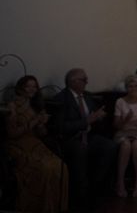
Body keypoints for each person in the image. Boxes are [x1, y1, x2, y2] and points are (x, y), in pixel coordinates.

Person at [54, 68, 117, 209]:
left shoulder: (87, 96)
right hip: (71, 139)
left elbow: (95, 118)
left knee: (110, 146)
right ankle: (80, 199)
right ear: (73, 82)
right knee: (80, 150)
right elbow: (61, 127)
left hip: (89, 136)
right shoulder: (61, 99)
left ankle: (94, 187)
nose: (87, 82)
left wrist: (100, 117)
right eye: (84, 79)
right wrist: (88, 120)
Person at [6, 75, 68, 213]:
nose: (31, 89)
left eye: (34, 86)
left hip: (35, 143)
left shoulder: (37, 105)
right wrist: (34, 121)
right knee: (43, 168)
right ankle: (37, 207)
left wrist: (41, 124)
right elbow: (12, 133)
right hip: (18, 144)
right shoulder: (12, 106)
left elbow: (43, 134)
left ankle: (53, 206)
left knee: (59, 165)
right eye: (28, 86)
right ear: (21, 87)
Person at [113, 74, 137, 198]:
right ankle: (120, 183)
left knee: (136, 144)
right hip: (123, 133)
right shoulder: (120, 101)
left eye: (136, 86)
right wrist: (126, 119)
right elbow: (117, 125)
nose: (133, 89)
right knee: (125, 145)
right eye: (130, 86)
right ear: (126, 87)